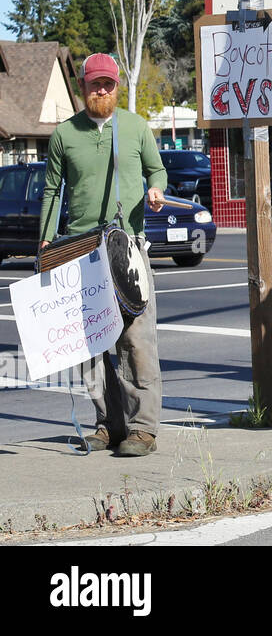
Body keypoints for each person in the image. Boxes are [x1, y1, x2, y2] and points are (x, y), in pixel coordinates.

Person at [40, 53, 167, 456]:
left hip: (126, 247)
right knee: (89, 342)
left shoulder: (135, 127)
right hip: (79, 251)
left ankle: (142, 428)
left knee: (136, 340)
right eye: (95, 84)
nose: (102, 90)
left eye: (108, 84)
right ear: (83, 87)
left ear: (117, 86)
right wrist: (44, 240)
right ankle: (108, 424)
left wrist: (156, 189)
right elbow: (52, 191)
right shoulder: (65, 133)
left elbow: (157, 170)